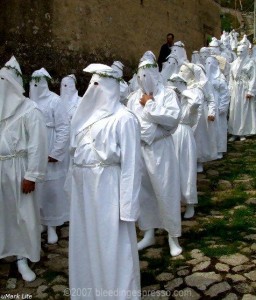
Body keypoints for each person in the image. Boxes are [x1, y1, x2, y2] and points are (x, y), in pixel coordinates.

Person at [68, 63, 142, 299]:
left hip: (109, 190)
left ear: (110, 87)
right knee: (86, 243)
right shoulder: (87, 119)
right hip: (84, 190)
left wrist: (128, 207)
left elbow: (132, 164)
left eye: (98, 85)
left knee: (113, 247)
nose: (94, 89)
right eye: (92, 84)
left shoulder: (124, 118)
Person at [127, 54, 182, 257]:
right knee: (145, 193)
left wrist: (149, 104)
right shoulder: (133, 98)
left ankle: (172, 236)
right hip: (140, 150)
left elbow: (172, 120)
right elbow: (129, 123)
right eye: (141, 75)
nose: (145, 79)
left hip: (161, 150)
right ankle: (148, 232)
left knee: (166, 191)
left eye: (148, 74)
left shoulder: (167, 94)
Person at [0, 56, 48, 281]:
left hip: (20, 169)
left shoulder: (30, 110)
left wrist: (32, 175)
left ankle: (23, 256)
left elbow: (38, 145)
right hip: (1, 167)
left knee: (23, 215)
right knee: (4, 214)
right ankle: (5, 249)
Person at [30, 68, 70, 244]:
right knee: (37, 186)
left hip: (50, 144)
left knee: (52, 188)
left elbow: (63, 127)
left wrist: (56, 151)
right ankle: (40, 221)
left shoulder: (55, 100)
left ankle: (53, 224)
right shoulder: (30, 102)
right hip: (35, 145)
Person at [228, 44, 256, 141]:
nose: (239, 54)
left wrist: (250, 91)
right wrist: (230, 89)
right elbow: (231, 78)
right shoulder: (234, 63)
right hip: (236, 89)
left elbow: (253, 77)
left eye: (241, 52)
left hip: (244, 88)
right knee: (234, 110)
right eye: (238, 52)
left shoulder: (250, 63)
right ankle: (234, 132)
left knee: (243, 109)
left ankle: (243, 132)